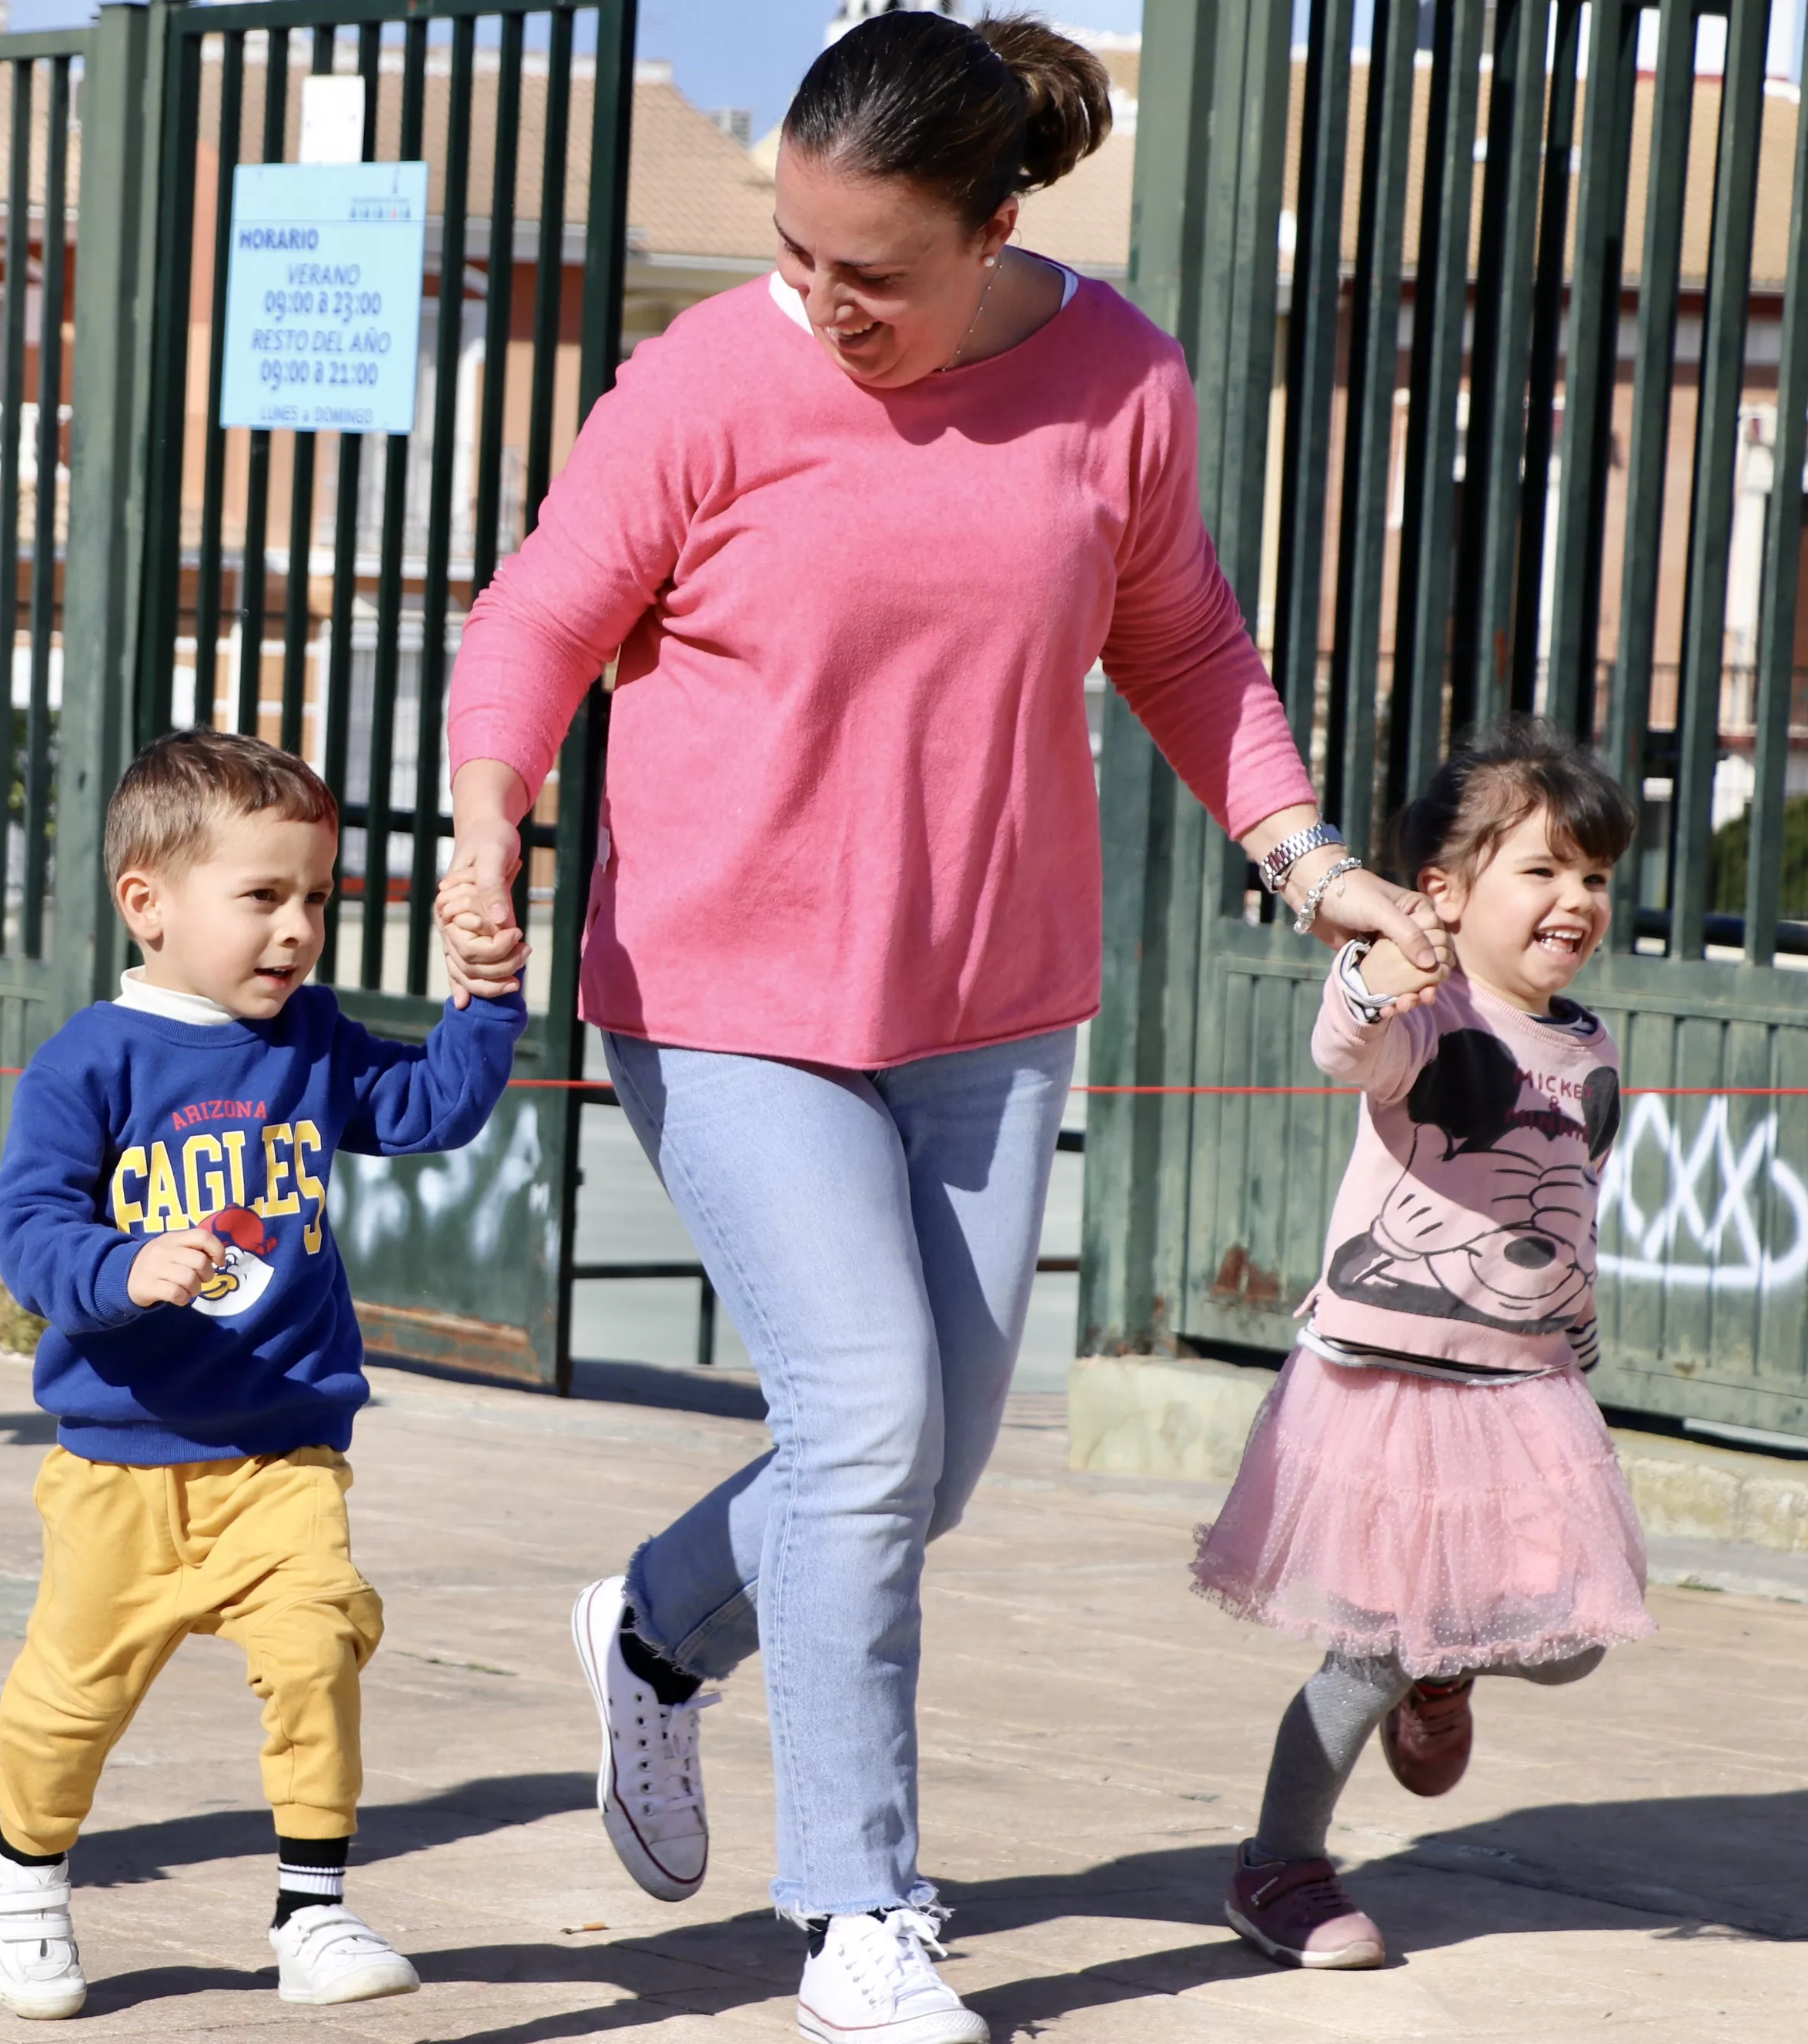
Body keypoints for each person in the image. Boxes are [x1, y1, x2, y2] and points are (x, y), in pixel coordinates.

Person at [432, 14, 1447, 2040]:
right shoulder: (712, 377)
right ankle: (861, 1912)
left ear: (993, 229)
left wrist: (1307, 850)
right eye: (796, 251)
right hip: (729, 992)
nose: (821, 303)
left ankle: (652, 1634)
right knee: (869, 1425)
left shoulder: (1118, 382)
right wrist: (485, 829)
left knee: (922, 1461)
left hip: (986, 1002)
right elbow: (539, 616)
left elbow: (1178, 636)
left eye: (872, 273)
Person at [0, 729, 527, 2019]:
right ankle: (19, 1858)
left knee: (317, 1646)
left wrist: (485, 1001)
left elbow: (429, 1107)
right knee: (68, 1706)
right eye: (263, 896)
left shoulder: (313, 1041)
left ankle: (312, 1910)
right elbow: (26, 1228)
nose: (298, 929)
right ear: (149, 904)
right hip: (123, 1464)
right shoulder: (89, 1062)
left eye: (315, 898)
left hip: (284, 1453)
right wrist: (119, 1269)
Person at [1194, 724, 1652, 1969]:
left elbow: (1568, 1201)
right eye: (1543, 871)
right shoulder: (1422, 1010)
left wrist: (1577, 1330)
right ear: (1446, 892)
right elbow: (1347, 1048)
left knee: (1571, 1641)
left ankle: (1442, 1676)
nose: (1577, 901)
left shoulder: (1593, 1045)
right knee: (1371, 1645)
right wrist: (1372, 971)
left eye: (1596, 877)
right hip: (1386, 1387)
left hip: (1523, 1384)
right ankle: (1278, 1868)